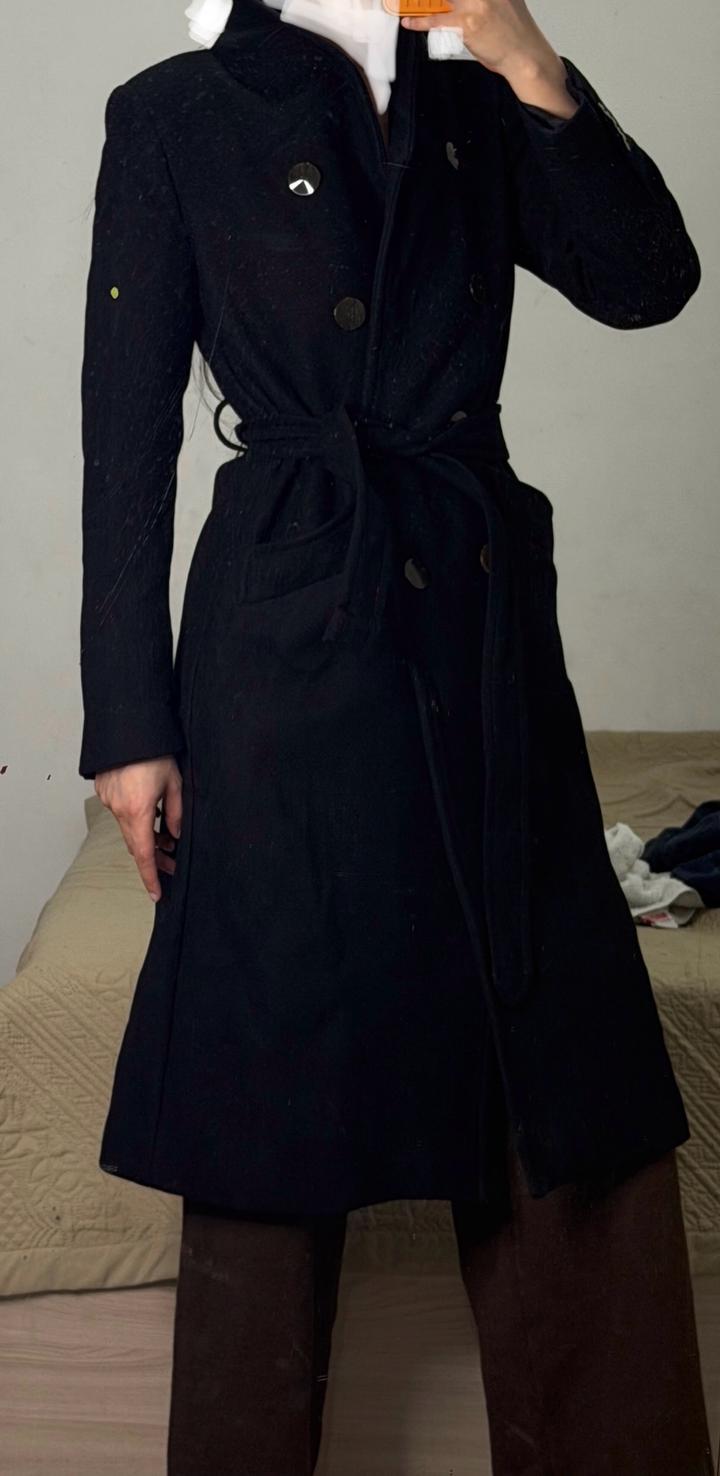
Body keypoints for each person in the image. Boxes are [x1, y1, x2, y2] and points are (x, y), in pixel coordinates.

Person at [78, 0, 712, 1470]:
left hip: (478, 608)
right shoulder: (177, 109)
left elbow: (648, 284)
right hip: (283, 623)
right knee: (269, 1054)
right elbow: (127, 428)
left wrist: (530, 60)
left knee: (557, 1040)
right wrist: (128, 722)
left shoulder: (477, 90)